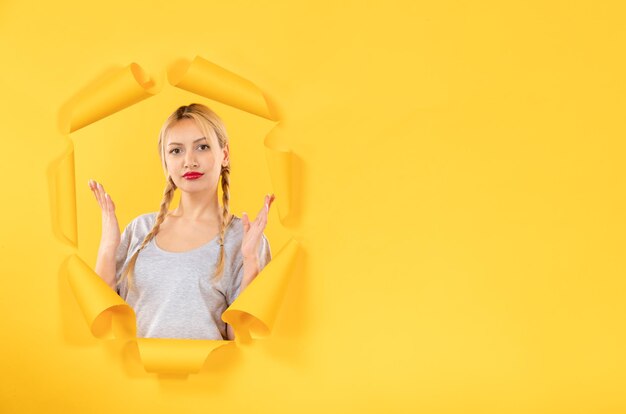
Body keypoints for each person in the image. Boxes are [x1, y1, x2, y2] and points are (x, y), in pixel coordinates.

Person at [88, 103, 275, 341]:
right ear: (165, 161)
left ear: (224, 155)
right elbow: (105, 323)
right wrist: (107, 246)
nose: (189, 161)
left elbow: (242, 339)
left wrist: (251, 261)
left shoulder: (245, 238)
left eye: (203, 147)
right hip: (135, 377)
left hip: (211, 377)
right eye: (176, 151)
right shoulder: (139, 230)